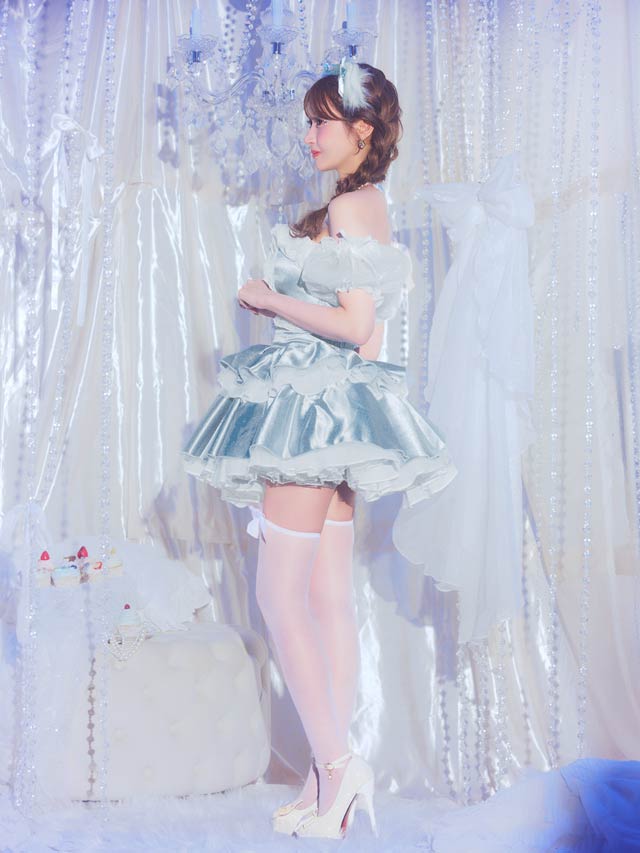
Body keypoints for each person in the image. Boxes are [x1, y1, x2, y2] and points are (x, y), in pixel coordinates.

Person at [181, 59, 457, 840]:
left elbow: (357, 325)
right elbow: (368, 338)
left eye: (321, 121)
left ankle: (338, 767)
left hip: (310, 414)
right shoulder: (366, 204)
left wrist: (271, 299)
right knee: (329, 596)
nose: (308, 135)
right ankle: (322, 776)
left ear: (361, 129)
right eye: (308, 121)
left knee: (280, 595)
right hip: (336, 411)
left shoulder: (348, 208)